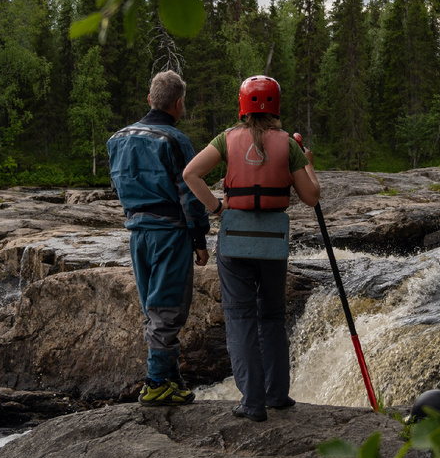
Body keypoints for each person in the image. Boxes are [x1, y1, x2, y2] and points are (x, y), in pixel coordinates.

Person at [182, 75, 320, 422]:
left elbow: (190, 174)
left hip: (235, 240)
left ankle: (252, 402)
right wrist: (308, 162)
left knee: (241, 318)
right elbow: (311, 196)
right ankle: (277, 395)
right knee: (272, 316)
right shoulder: (288, 144)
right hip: (272, 242)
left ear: (243, 108)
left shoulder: (226, 139)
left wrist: (216, 208)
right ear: (276, 106)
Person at [107, 70, 210, 406]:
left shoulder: (117, 139)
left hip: (137, 233)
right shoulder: (174, 141)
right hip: (170, 234)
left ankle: (171, 379)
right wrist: (199, 238)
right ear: (178, 104)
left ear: (150, 99)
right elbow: (188, 194)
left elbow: (119, 187)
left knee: (153, 309)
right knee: (167, 309)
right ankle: (155, 383)